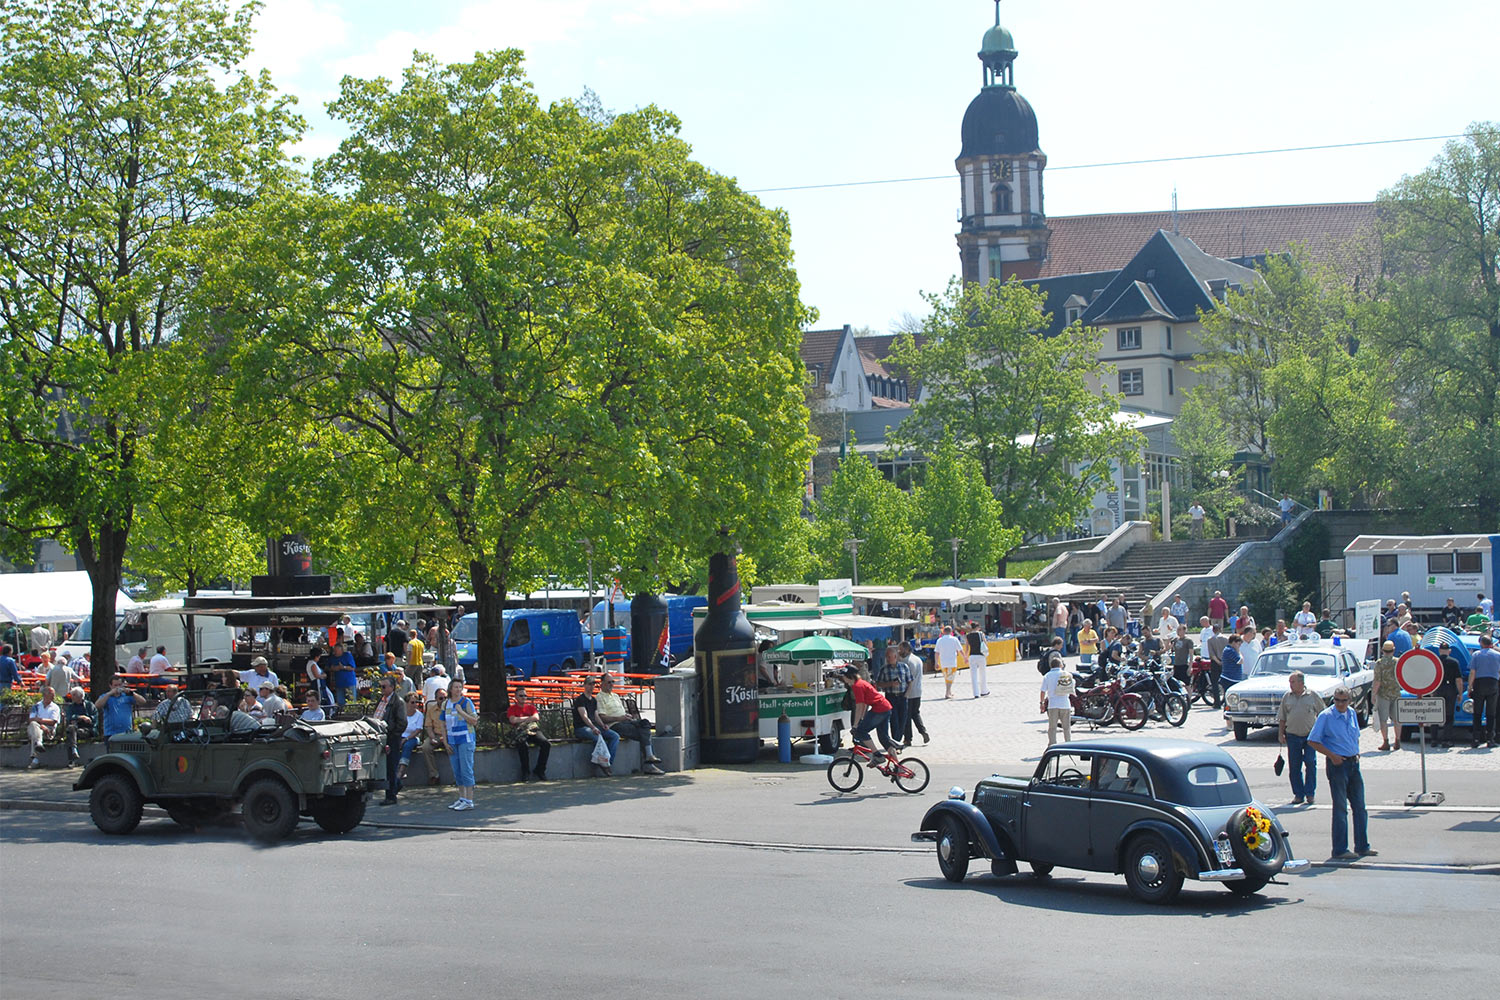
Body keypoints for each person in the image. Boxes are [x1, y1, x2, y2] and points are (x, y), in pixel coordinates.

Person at [1307, 685, 1373, 859]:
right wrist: (1332, 756)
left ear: (1349, 701)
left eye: (1344, 701)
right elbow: (1313, 741)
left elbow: (1355, 735)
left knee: (1360, 807)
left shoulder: (1351, 713)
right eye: (1337, 700)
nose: (1340, 704)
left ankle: (1362, 846)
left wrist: (1356, 751)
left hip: (1353, 763)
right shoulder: (1326, 716)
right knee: (1340, 808)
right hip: (1338, 765)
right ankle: (1340, 849)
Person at [596, 672, 663, 774]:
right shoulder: (600, 697)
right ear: (602, 684)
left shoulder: (615, 696)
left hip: (625, 721)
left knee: (645, 724)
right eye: (609, 682)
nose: (611, 685)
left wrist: (627, 716)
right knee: (644, 734)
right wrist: (619, 718)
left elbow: (621, 712)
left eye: (613, 682)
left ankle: (649, 759)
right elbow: (602, 717)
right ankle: (649, 762)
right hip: (614, 725)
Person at [1277, 671, 1325, 805]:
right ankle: (1298, 794)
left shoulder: (1312, 695)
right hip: (1292, 736)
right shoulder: (1287, 696)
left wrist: (1321, 733)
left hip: (1310, 737)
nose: (1290, 685)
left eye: (1293, 682)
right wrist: (1281, 734)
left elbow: (1323, 715)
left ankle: (1310, 793)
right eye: (1290, 682)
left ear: (1301, 683)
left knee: (1310, 763)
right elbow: (1282, 717)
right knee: (1294, 766)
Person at [841, 665, 896, 760]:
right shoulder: (861, 683)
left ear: (849, 676)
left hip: (879, 709)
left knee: (861, 732)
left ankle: (877, 756)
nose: (843, 678)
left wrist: (855, 725)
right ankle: (898, 767)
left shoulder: (857, 686)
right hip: (885, 707)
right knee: (884, 738)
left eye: (844, 676)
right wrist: (861, 719)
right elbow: (864, 704)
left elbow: (859, 706)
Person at [442, 678, 478, 809]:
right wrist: (445, 742)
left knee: (466, 769)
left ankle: (469, 800)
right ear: (450, 689)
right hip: (453, 740)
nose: (458, 690)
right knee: (457, 770)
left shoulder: (466, 702)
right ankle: (462, 797)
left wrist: (461, 712)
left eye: (460, 687)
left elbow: (474, 720)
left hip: (466, 739)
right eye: (455, 687)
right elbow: (443, 724)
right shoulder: (446, 704)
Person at [573, 674, 618, 777]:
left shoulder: (593, 700)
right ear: (584, 685)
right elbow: (584, 716)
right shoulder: (580, 699)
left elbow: (596, 715)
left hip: (594, 727)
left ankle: (607, 762)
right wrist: (593, 728)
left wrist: (603, 725)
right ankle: (604, 764)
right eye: (589, 684)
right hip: (581, 728)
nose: (592, 686)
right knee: (597, 737)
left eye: (593, 684)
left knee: (614, 736)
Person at [373, 674, 407, 805]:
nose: (381, 689)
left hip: (391, 738)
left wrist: (392, 735)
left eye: (384, 686)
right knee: (386, 767)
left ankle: (391, 796)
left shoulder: (398, 702)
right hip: (380, 737)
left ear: (392, 687)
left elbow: (402, 722)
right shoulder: (381, 700)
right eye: (380, 686)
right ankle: (396, 785)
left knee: (391, 766)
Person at [507, 685, 550, 781]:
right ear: (516, 697)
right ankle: (525, 772)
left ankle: (540, 770)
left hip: (533, 730)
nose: (523, 698)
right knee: (522, 745)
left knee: (546, 743)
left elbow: (536, 717)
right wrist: (528, 719)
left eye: (525, 696)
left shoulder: (531, 707)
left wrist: (522, 720)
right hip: (520, 732)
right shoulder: (512, 709)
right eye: (521, 695)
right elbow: (513, 720)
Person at [874, 646, 912, 745]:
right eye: (887, 656)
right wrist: (890, 684)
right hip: (891, 696)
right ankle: (896, 742)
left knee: (903, 719)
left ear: (895, 656)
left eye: (889, 656)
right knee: (894, 720)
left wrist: (907, 694)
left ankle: (898, 740)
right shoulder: (884, 669)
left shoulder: (904, 667)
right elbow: (878, 683)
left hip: (902, 696)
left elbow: (910, 681)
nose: (887, 659)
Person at [1468, 633, 1500, 748]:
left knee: (1477, 712)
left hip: (1480, 684)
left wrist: (1470, 686)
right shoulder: (1498, 655)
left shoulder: (1476, 654)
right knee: (1491, 713)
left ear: (1481, 643)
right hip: (1493, 683)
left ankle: (1476, 739)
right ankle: (1490, 739)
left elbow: (1472, 672)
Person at [1039, 653, 1075, 746]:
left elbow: (1043, 691)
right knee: (1066, 727)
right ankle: (1068, 744)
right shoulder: (1067, 674)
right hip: (1065, 704)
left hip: (1053, 704)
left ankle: (1052, 744)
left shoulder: (1047, 676)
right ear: (1061, 665)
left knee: (1052, 727)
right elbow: (1072, 686)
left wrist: (1042, 703)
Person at [898, 641, 929, 746]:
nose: (899, 652)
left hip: (909, 692)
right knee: (915, 713)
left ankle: (908, 738)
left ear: (906, 649)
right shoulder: (917, 659)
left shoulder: (907, 661)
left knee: (906, 716)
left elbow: (905, 679)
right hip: (918, 691)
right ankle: (923, 731)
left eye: (900, 649)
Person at [96, 675, 146, 739]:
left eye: (119, 685)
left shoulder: (127, 696)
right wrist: (109, 694)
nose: (118, 687)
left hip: (126, 732)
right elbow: (97, 705)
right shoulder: (106, 697)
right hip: (110, 733)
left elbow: (143, 701)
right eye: (115, 685)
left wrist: (132, 693)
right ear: (110, 686)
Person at [1371, 640, 1400, 751]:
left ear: (1383, 650)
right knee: (1397, 719)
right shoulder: (1398, 662)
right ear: (1393, 650)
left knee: (1383, 719)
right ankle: (1397, 741)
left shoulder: (1379, 663)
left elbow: (1377, 681)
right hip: (1396, 693)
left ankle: (1386, 742)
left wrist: (1373, 694)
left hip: (1383, 694)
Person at [1434, 640, 1463, 748]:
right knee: (1449, 716)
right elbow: (1458, 680)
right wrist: (1460, 693)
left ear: (1439, 651)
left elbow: (1431, 678)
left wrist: (1432, 691)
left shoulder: (1435, 661)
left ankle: (1433, 739)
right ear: (1449, 651)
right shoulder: (1454, 662)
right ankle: (1446, 740)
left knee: (1435, 714)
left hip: (1438, 688)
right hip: (1450, 688)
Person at [27, 686, 63, 768]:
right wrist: (41, 725)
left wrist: (39, 721)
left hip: (49, 730)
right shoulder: (36, 706)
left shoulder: (55, 707)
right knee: (33, 725)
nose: (53, 695)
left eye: (53, 694)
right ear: (45, 694)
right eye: (51, 693)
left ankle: (35, 759)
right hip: (36, 727)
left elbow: (53, 722)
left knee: (35, 734)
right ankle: (38, 744)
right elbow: (31, 719)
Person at [62, 687, 98, 767]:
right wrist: (80, 717)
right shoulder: (71, 707)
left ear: (80, 696)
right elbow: (69, 717)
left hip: (88, 729)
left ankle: (72, 760)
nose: (72, 697)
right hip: (75, 729)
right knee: (71, 730)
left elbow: (94, 718)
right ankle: (74, 751)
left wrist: (88, 718)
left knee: (70, 734)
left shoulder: (89, 705)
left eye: (74, 695)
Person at [397, 692, 426, 782]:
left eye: (416, 702)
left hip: (412, 738)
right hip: (401, 736)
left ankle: (401, 770)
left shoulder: (419, 715)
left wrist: (406, 739)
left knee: (407, 745)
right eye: (412, 702)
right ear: (406, 703)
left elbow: (418, 730)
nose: (415, 705)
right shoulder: (401, 714)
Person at [934, 625, 963, 700]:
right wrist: (965, 657)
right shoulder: (954, 639)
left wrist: (936, 662)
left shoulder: (939, 640)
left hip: (943, 662)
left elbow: (937, 652)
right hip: (952, 661)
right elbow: (960, 650)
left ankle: (949, 691)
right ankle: (947, 693)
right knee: (950, 678)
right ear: (951, 632)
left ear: (943, 632)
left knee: (947, 678)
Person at [327, 640, 358, 708]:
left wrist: (343, 667)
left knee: (351, 701)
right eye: (334, 651)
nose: (335, 653)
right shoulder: (332, 657)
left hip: (349, 682)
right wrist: (333, 668)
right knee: (340, 702)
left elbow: (352, 668)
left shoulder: (347, 655)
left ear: (341, 650)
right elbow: (328, 667)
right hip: (339, 683)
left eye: (336, 651)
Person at [965, 622, 989, 698]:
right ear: (977, 627)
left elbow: (967, 647)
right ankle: (984, 691)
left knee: (973, 675)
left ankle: (976, 693)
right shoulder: (981, 634)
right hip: (981, 655)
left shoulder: (968, 635)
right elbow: (985, 643)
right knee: (982, 674)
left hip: (972, 656)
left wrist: (965, 657)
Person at [1219, 634, 1245, 701]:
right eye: (1238, 644)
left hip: (1233, 678)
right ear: (1233, 642)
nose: (1239, 646)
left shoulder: (1231, 650)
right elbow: (1240, 661)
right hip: (1230, 679)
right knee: (1230, 699)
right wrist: (1238, 651)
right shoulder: (1230, 650)